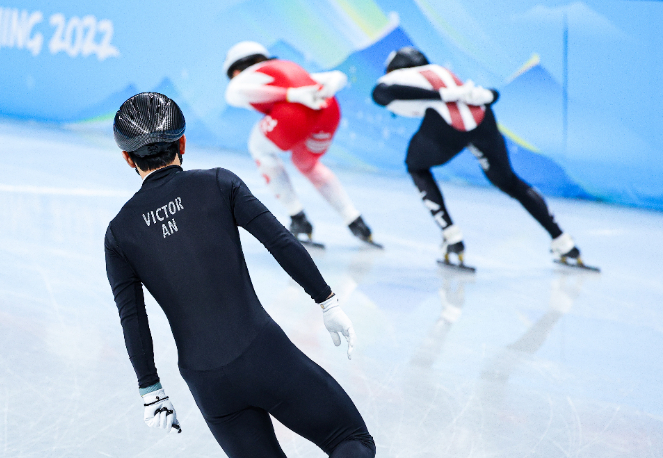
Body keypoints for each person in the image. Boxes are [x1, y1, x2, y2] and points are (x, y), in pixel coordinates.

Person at [104, 92, 376, 458]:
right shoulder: (218, 184)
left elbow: (133, 318)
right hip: (264, 354)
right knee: (352, 442)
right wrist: (327, 301)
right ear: (182, 142)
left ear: (126, 158)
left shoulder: (119, 232)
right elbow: (280, 241)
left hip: (207, 382)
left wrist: (150, 388)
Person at [371, 46, 582, 266]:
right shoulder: (439, 71)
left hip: (446, 122)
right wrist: (486, 95)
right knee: (508, 181)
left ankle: (452, 236)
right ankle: (563, 241)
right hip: (482, 119)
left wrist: (442, 96)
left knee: (415, 165)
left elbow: (380, 93)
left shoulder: (399, 76)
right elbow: (491, 95)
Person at [223, 41, 376, 246]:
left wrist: (290, 95)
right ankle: (355, 220)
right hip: (329, 109)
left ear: (235, 70)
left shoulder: (240, 79)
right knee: (306, 164)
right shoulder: (285, 66)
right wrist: (330, 87)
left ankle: (298, 219)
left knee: (258, 147)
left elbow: (240, 92)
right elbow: (337, 77)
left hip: (294, 111)